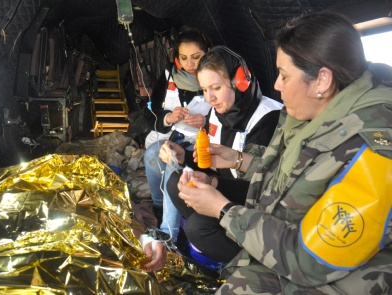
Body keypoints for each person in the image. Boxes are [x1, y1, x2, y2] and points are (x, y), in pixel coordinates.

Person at [173, 11, 392, 294]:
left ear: (322, 81)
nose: (276, 84)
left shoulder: (376, 156)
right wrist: (239, 160)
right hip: (282, 237)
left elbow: (310, 260)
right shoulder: (307, 114)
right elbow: (297, 173)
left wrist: (223, 209)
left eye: (284, 75)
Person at [161, 46, 282, 253]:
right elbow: (210, 161)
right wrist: (184, 157)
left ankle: (245, 259)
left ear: (240, 83)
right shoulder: (217, 112)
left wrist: (213, 184)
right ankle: (214, 242)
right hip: (227, 190)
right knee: (175, 182)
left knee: (198, 226)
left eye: (215, 88)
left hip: (257, 202)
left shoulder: (268, 118)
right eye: (205, 90)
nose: (209, 98)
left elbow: (260, 189)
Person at [143, 26, 213, 226]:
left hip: (202, 143)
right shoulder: (169, 74)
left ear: (208, 52)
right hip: (172, 135)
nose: (189, 64)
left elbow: (232, 117)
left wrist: (206, 123)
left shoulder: (219, 75)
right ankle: (158, 206)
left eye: (196, 57)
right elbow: (152, 112)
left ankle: (169, 230)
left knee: (173, 166)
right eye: (183, 58)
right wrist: (168, 118)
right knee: (151, 155)